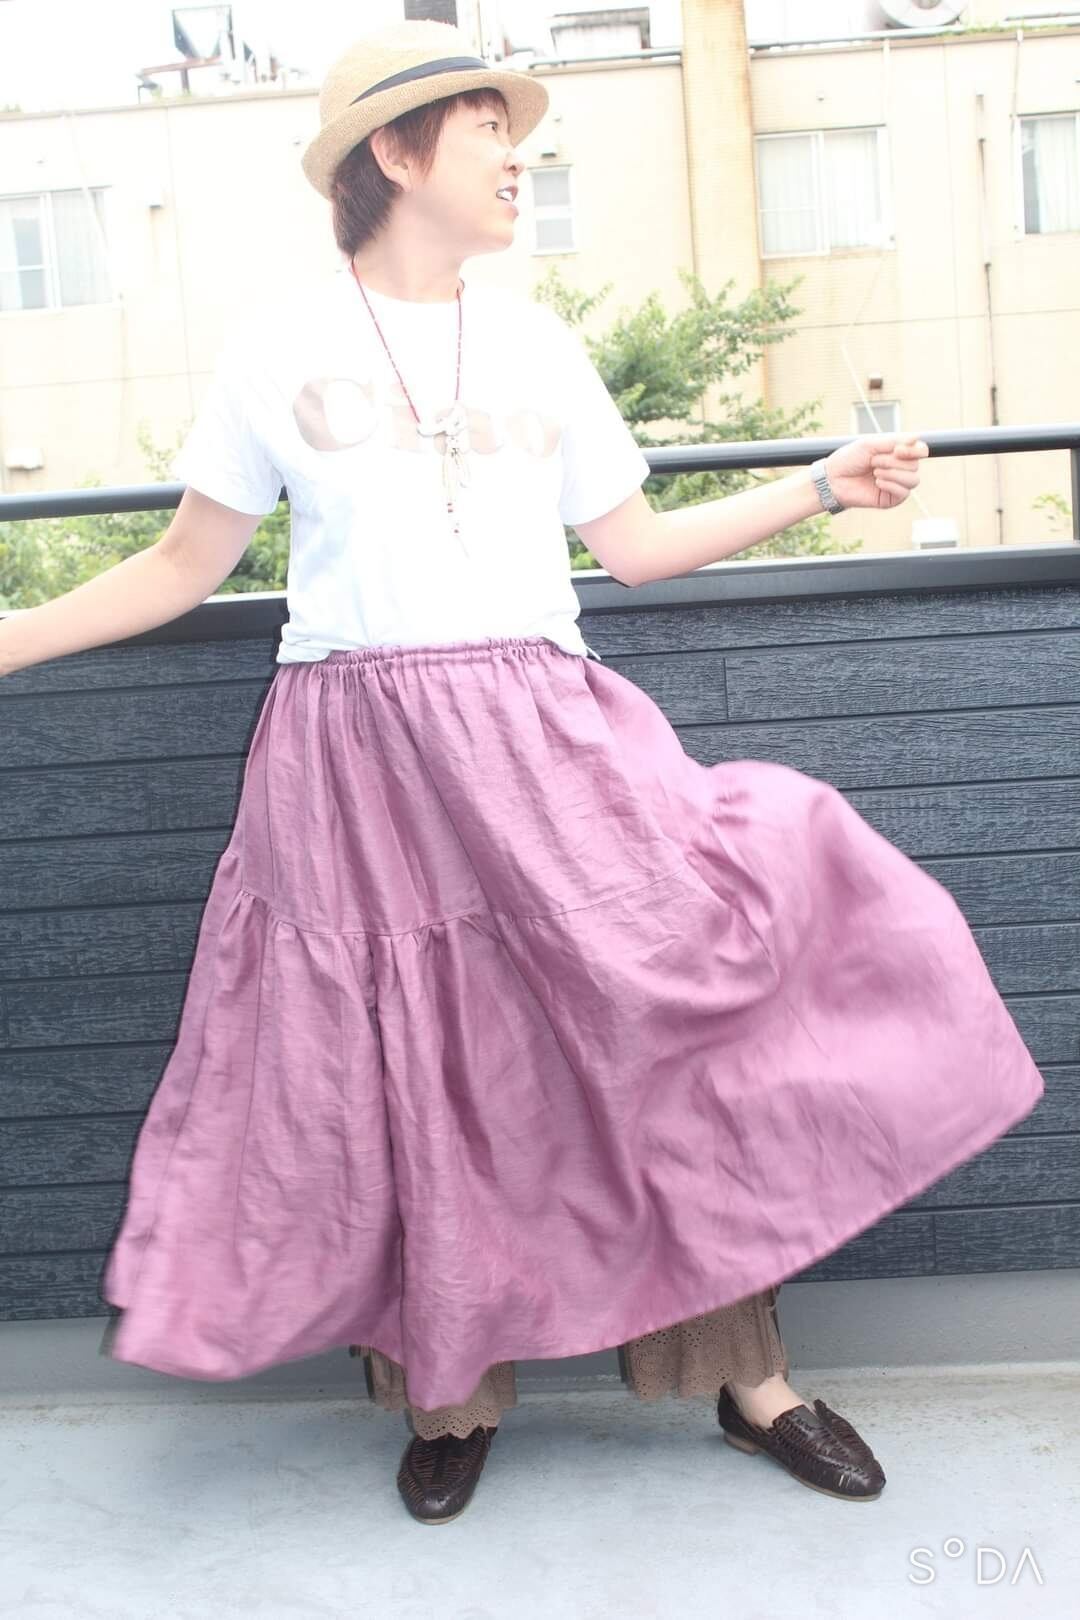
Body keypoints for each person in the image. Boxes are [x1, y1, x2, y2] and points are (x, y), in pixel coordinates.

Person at [0, 20, 1045, 1529]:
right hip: (358, 758)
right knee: (407, 1067)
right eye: (488, 129)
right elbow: (182, 565)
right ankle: (449, 1396)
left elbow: (636, 546)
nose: (517, 155)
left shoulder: (540, 344)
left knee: (654, 1035)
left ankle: (752, 1385)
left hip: (545, 739)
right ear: (394, 152)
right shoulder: (275, 348)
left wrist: (819, 485)